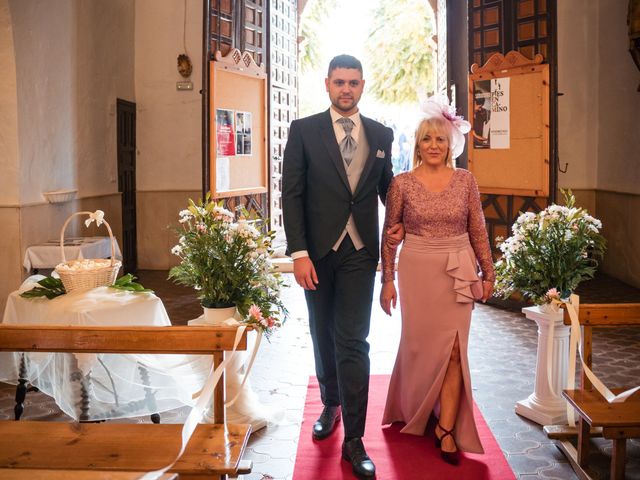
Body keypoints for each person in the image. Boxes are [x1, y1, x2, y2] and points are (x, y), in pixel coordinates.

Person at [282, 54, 401, 479]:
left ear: (363, 85)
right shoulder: (303, 131)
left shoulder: (382, 134)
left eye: (353, 82)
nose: (346, 89)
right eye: (339, 82)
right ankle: (330, 402)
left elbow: (392, 195)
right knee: (321, 332)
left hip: (359, 253)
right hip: (316, 253)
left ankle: (354, 438)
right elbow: (291, 195)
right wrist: (298, 253)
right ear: (327, 84)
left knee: (353, 340)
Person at [379, 95, 495, 465]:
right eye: (427, 139)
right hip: (418, 272)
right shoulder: (401, 183)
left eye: (440, 139)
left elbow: (478, 228)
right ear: (417, 144)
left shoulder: (466, 181)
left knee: (456, 352)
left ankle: (446, 428)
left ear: (451, 144)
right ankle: (417, 406)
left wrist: (488, 272)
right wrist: (388, 280)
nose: (433, 146)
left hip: (458, 271)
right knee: (419, 348)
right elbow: (389, 234)